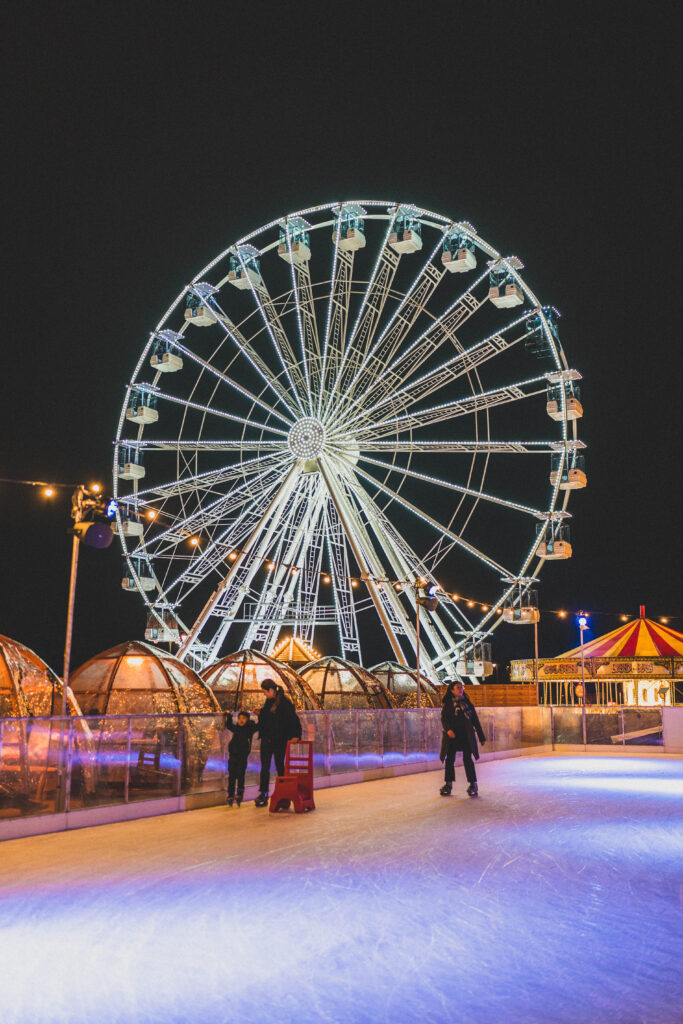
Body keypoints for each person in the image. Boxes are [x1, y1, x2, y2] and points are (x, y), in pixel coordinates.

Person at [254, 678, 302, 807]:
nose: (265, 694)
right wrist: (260, 713)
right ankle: (264, 793)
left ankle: (283, 793)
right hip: (267, 739)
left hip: (279, 740)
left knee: (280, 766)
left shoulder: (285, 703)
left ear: (271, 690)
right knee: (265, 767)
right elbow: (267, 717)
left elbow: (293, 720)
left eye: (265, 692)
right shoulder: (269, 701)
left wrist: (296, 735)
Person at [440, 680, 486, 797]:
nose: (460, 689)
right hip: (452, 737)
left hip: (466, 737)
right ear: (452, 690)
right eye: (458, 687)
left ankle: (473, 784)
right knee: (449, 760)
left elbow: (475, 720)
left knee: (467, 760)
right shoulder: (448, 705)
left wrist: (481, 736)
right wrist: (448, 730)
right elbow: (444, 719)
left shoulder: (468, 704)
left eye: (462, 687)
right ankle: (448, 784)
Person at [225, 710, 258, 806]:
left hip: (242, 756)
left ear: (247, 720)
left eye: (243, 718)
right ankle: (230, 794)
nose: (241, 720)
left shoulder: (249, 729)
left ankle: (239, 793)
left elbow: (258, 726)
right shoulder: (236, 728)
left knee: (240, 775)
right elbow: (229, 725)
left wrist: (260, 715)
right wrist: (228, 715)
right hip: (233, 755)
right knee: (231, 775)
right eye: (239, 718)